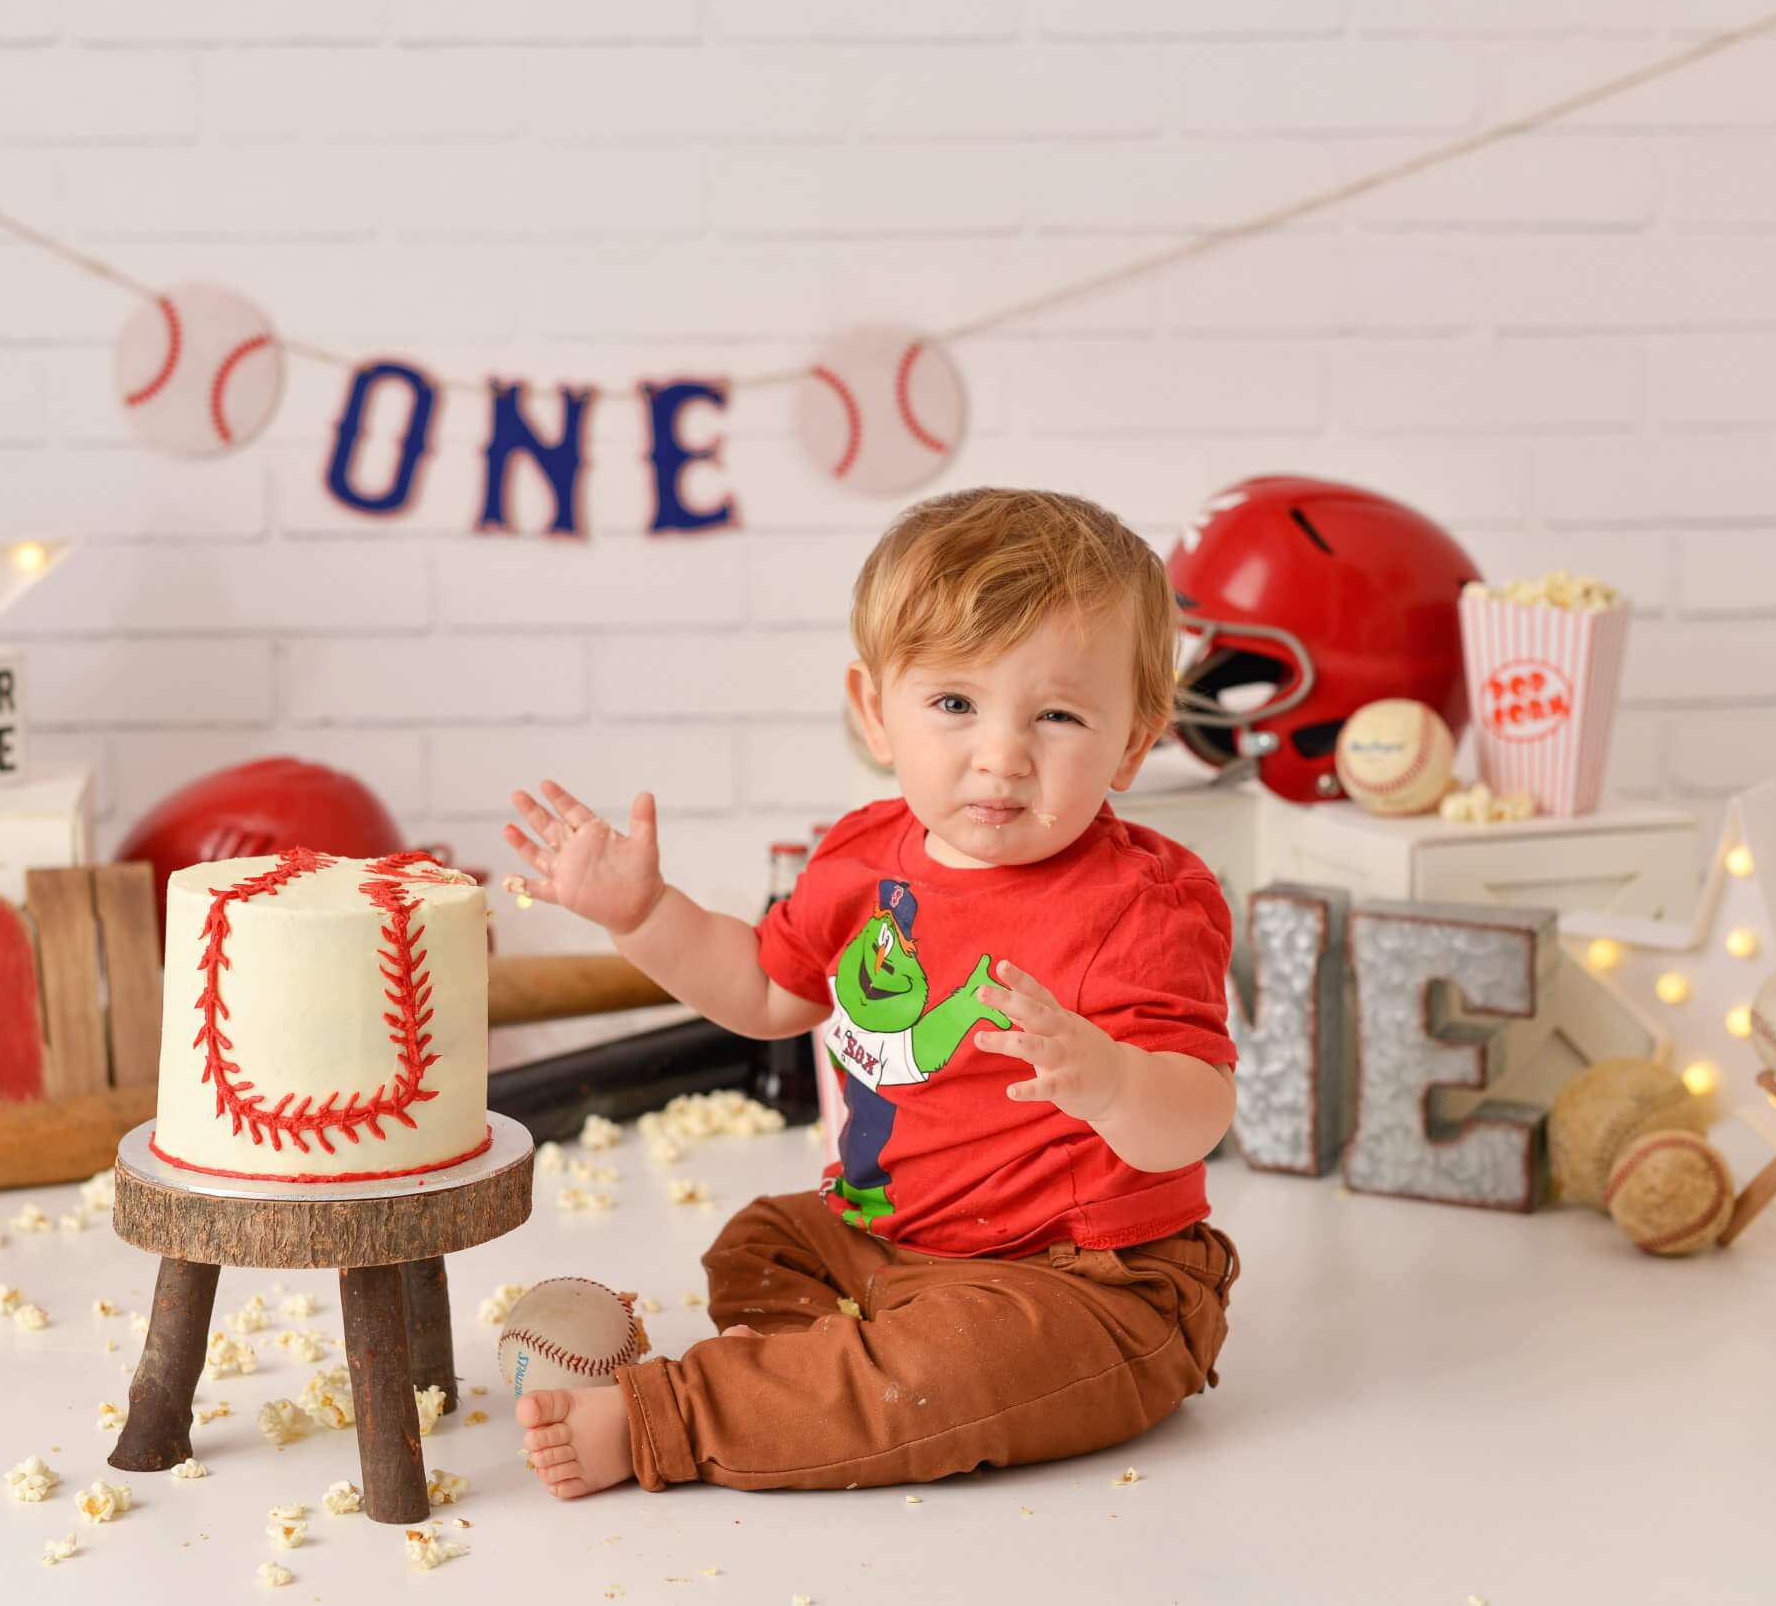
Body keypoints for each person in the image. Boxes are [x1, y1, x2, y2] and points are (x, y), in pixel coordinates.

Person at [504, 487, 1240, 1497]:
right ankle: (835, 1385)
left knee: (957, 1364)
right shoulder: (860, 858)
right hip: (888, 1238)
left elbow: (1195, 1116)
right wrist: (643, 914)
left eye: (1058, 715)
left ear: (1131, 740)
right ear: (874, 709)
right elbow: (765, 991)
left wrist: (1110, 1080)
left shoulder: (1143, 901)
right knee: (758, 1244)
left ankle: (670, 1416)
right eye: (953, 703)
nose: (1000, 755)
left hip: (1085, 1280)